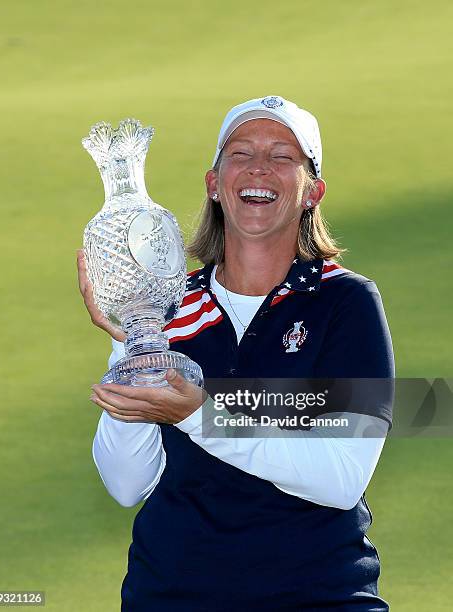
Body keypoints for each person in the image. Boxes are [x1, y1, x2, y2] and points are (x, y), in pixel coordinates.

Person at [77, 95, 395, 611]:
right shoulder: (166, 306)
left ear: (312, 191)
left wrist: (199, 415)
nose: (259, 168)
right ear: (214, 184)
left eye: (283, 156)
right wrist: (127, 342)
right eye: (241, 153)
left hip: (320, 598)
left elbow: (340, 478)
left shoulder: (345, 301)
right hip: (172, 596)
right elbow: (126, 484)